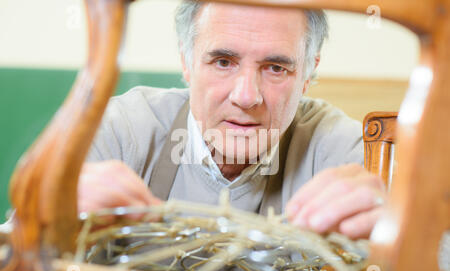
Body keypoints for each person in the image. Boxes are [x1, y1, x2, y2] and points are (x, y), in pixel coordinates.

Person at [79, 0, 387, 239]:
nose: (246, 96)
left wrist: (396, 227)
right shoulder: (121, 130)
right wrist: (47, 208)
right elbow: (33, 233)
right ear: (187, 61)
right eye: (223, 62)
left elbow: (431, 260)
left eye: (275, 68)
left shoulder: (340, 147)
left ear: (307, 73)